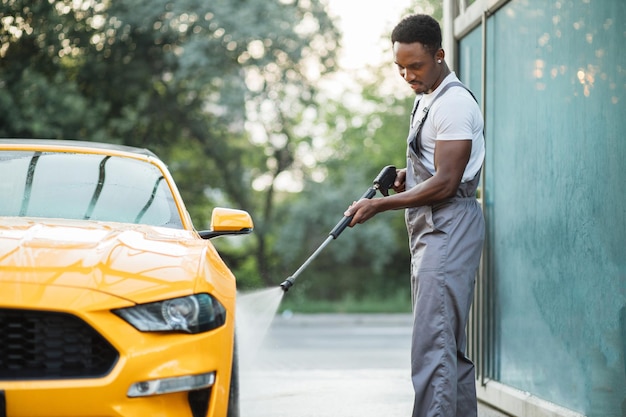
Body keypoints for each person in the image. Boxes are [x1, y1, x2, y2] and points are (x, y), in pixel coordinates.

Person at [343, 14, 485, 417]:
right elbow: (437, 166)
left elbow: (446, 182)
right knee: (444, 351)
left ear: (439, 55)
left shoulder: (453, 103)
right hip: (434, 229)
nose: (407, 75)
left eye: (415, 66)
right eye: (400, 67)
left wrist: (378, 205)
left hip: (448, 227)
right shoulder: (428, 96)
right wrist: (410, 173)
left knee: (433, 350)